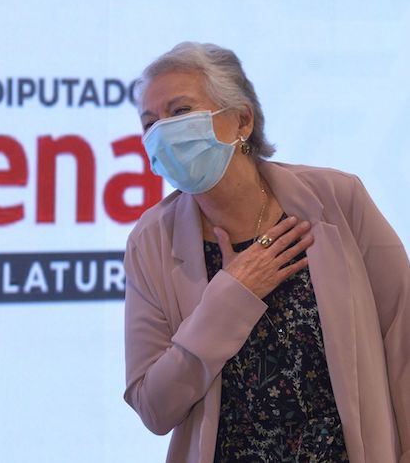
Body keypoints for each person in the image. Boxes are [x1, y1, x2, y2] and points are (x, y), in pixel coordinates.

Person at [123, 41, 409, 463]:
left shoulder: (336, 199)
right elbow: (154, 406)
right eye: (150, 123)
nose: (162, 132)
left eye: (180, 112)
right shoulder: (150, 240)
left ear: (241, 119)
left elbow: (403, 336)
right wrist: (230, 296)